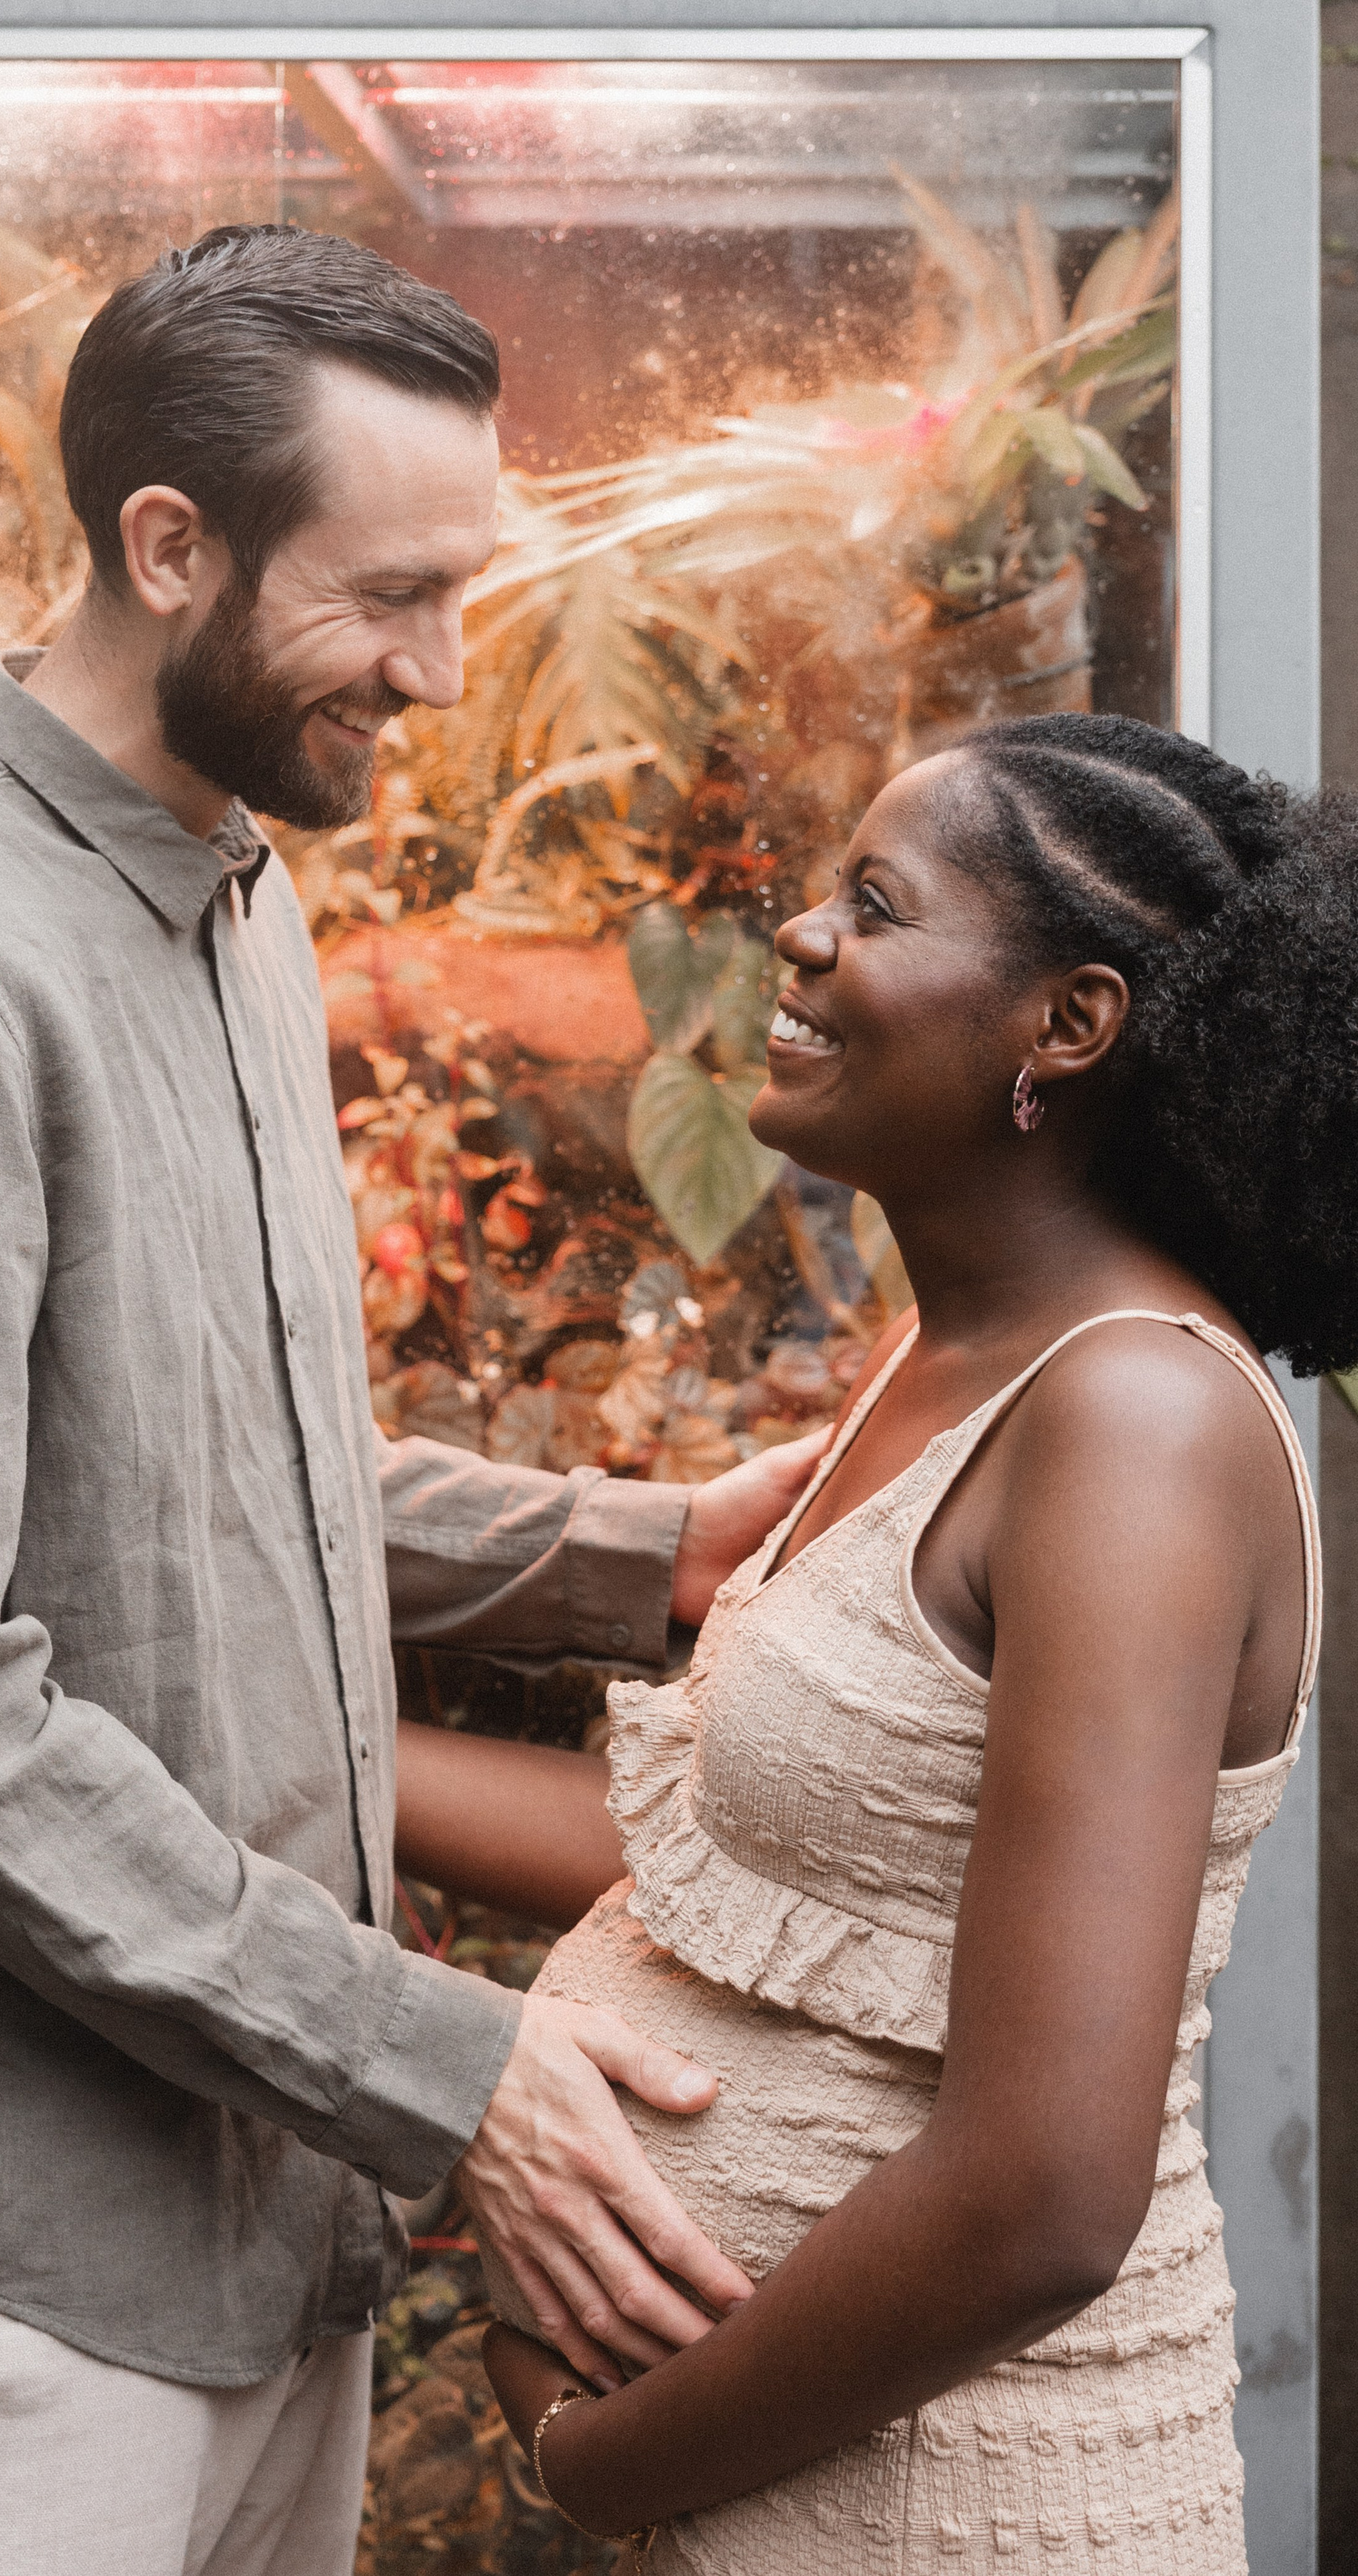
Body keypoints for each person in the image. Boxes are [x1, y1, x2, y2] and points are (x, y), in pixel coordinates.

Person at [0, 223, 830, 2575]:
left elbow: (230, 1473)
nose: (440, 667)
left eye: (465, 586)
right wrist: (447, 2071)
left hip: (248, 2252)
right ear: (166, 544)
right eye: (390, 595)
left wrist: (650, 1550)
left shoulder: (229, 890)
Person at [399, 714, 1354, 2572]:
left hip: (962, 2508)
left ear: (1066, 1027)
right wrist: (282, 1763)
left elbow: (1048, 2195)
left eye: (876, 906)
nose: (800, 940)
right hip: (794, 2501)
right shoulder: (943, 1365)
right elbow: (738, 1873)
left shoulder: (1133, 1427)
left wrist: (602, 2460)